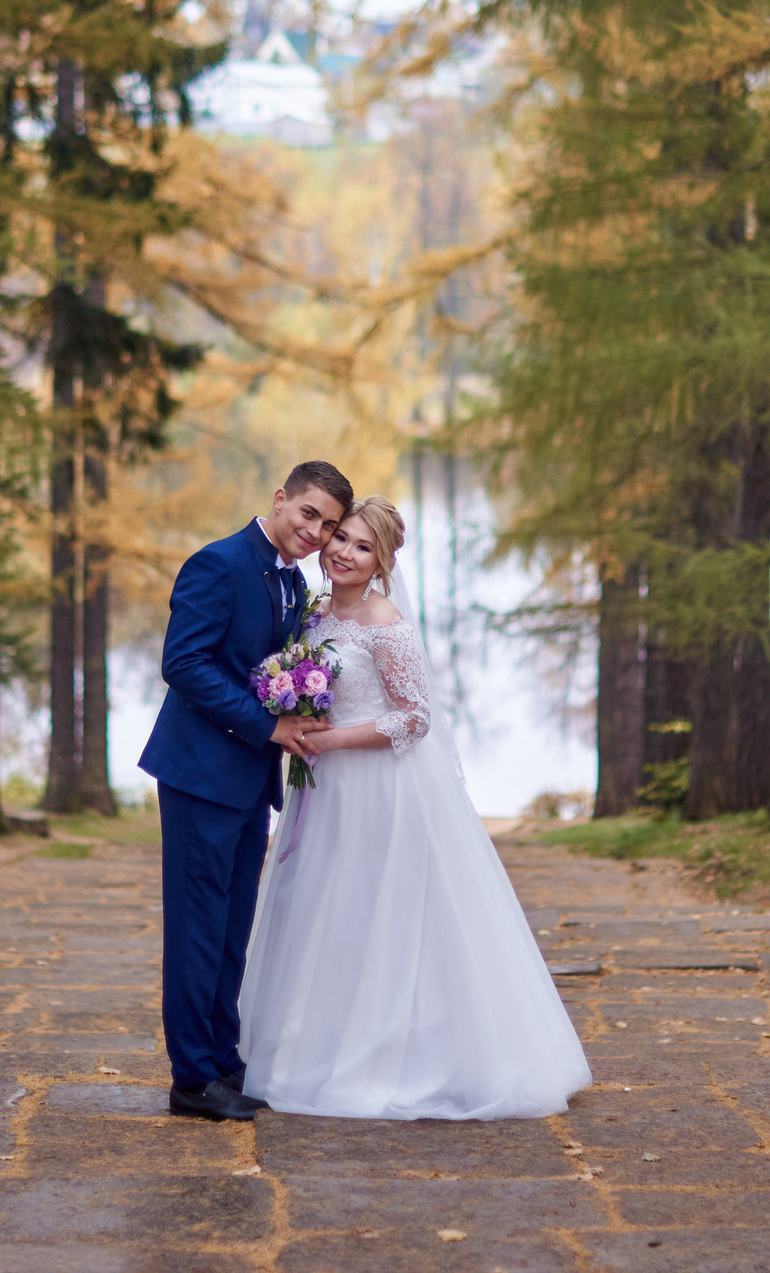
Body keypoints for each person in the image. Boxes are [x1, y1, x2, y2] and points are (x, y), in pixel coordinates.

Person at [238, 495, 592, 1120]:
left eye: (361, 546)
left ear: (381, 562)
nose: (343, 552)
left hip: (377, 789)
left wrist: (330, 739)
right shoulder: (314, 613)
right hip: (322, 796)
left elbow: (415, 718)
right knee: (322, 912)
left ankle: (393, 1056)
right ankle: (307, 1048)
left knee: (376, 914)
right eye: (339, 537)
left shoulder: (387, 623)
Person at [140, 460, 351, 1121]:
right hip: (202, 774)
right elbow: (184, 662)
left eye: (331, 526)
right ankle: (192, 1078)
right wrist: (268, 724)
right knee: (197, 930)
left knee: (233, 932)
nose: (316, 532)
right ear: (281, 497)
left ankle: (224, 1062)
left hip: (248, 782)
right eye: (309, 514)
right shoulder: (220, 562)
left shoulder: (291, 579)